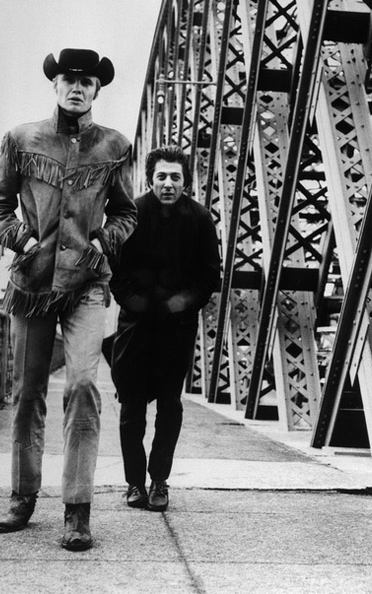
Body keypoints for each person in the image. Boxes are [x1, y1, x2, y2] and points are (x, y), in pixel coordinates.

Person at [0, 48, 136, 550]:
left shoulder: (115, 145)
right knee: (28, 394)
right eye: (69, 79)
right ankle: (23, 496)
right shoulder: (21, 138)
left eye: (86, 82)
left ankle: (77, 509)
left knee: (85, 386)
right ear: (56, 85)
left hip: (87, 284)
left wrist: (101, 242)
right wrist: (22, 240)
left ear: (96, 90)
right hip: (31, 285)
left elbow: (127, 213)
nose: (77, 87)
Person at [109, 145, 221, 511]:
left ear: (186, 181)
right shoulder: (132, 214)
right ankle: (134, 483)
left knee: (170, 407)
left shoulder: (201, 219)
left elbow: (209, 277)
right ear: (150, 179)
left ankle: (159, 480)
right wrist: (138, 304)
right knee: (132, 408)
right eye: (162, 177)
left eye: (176, 177)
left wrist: (179, 304)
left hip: (176, 328)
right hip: (136, 327)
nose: (168, 183)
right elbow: (116, 272)